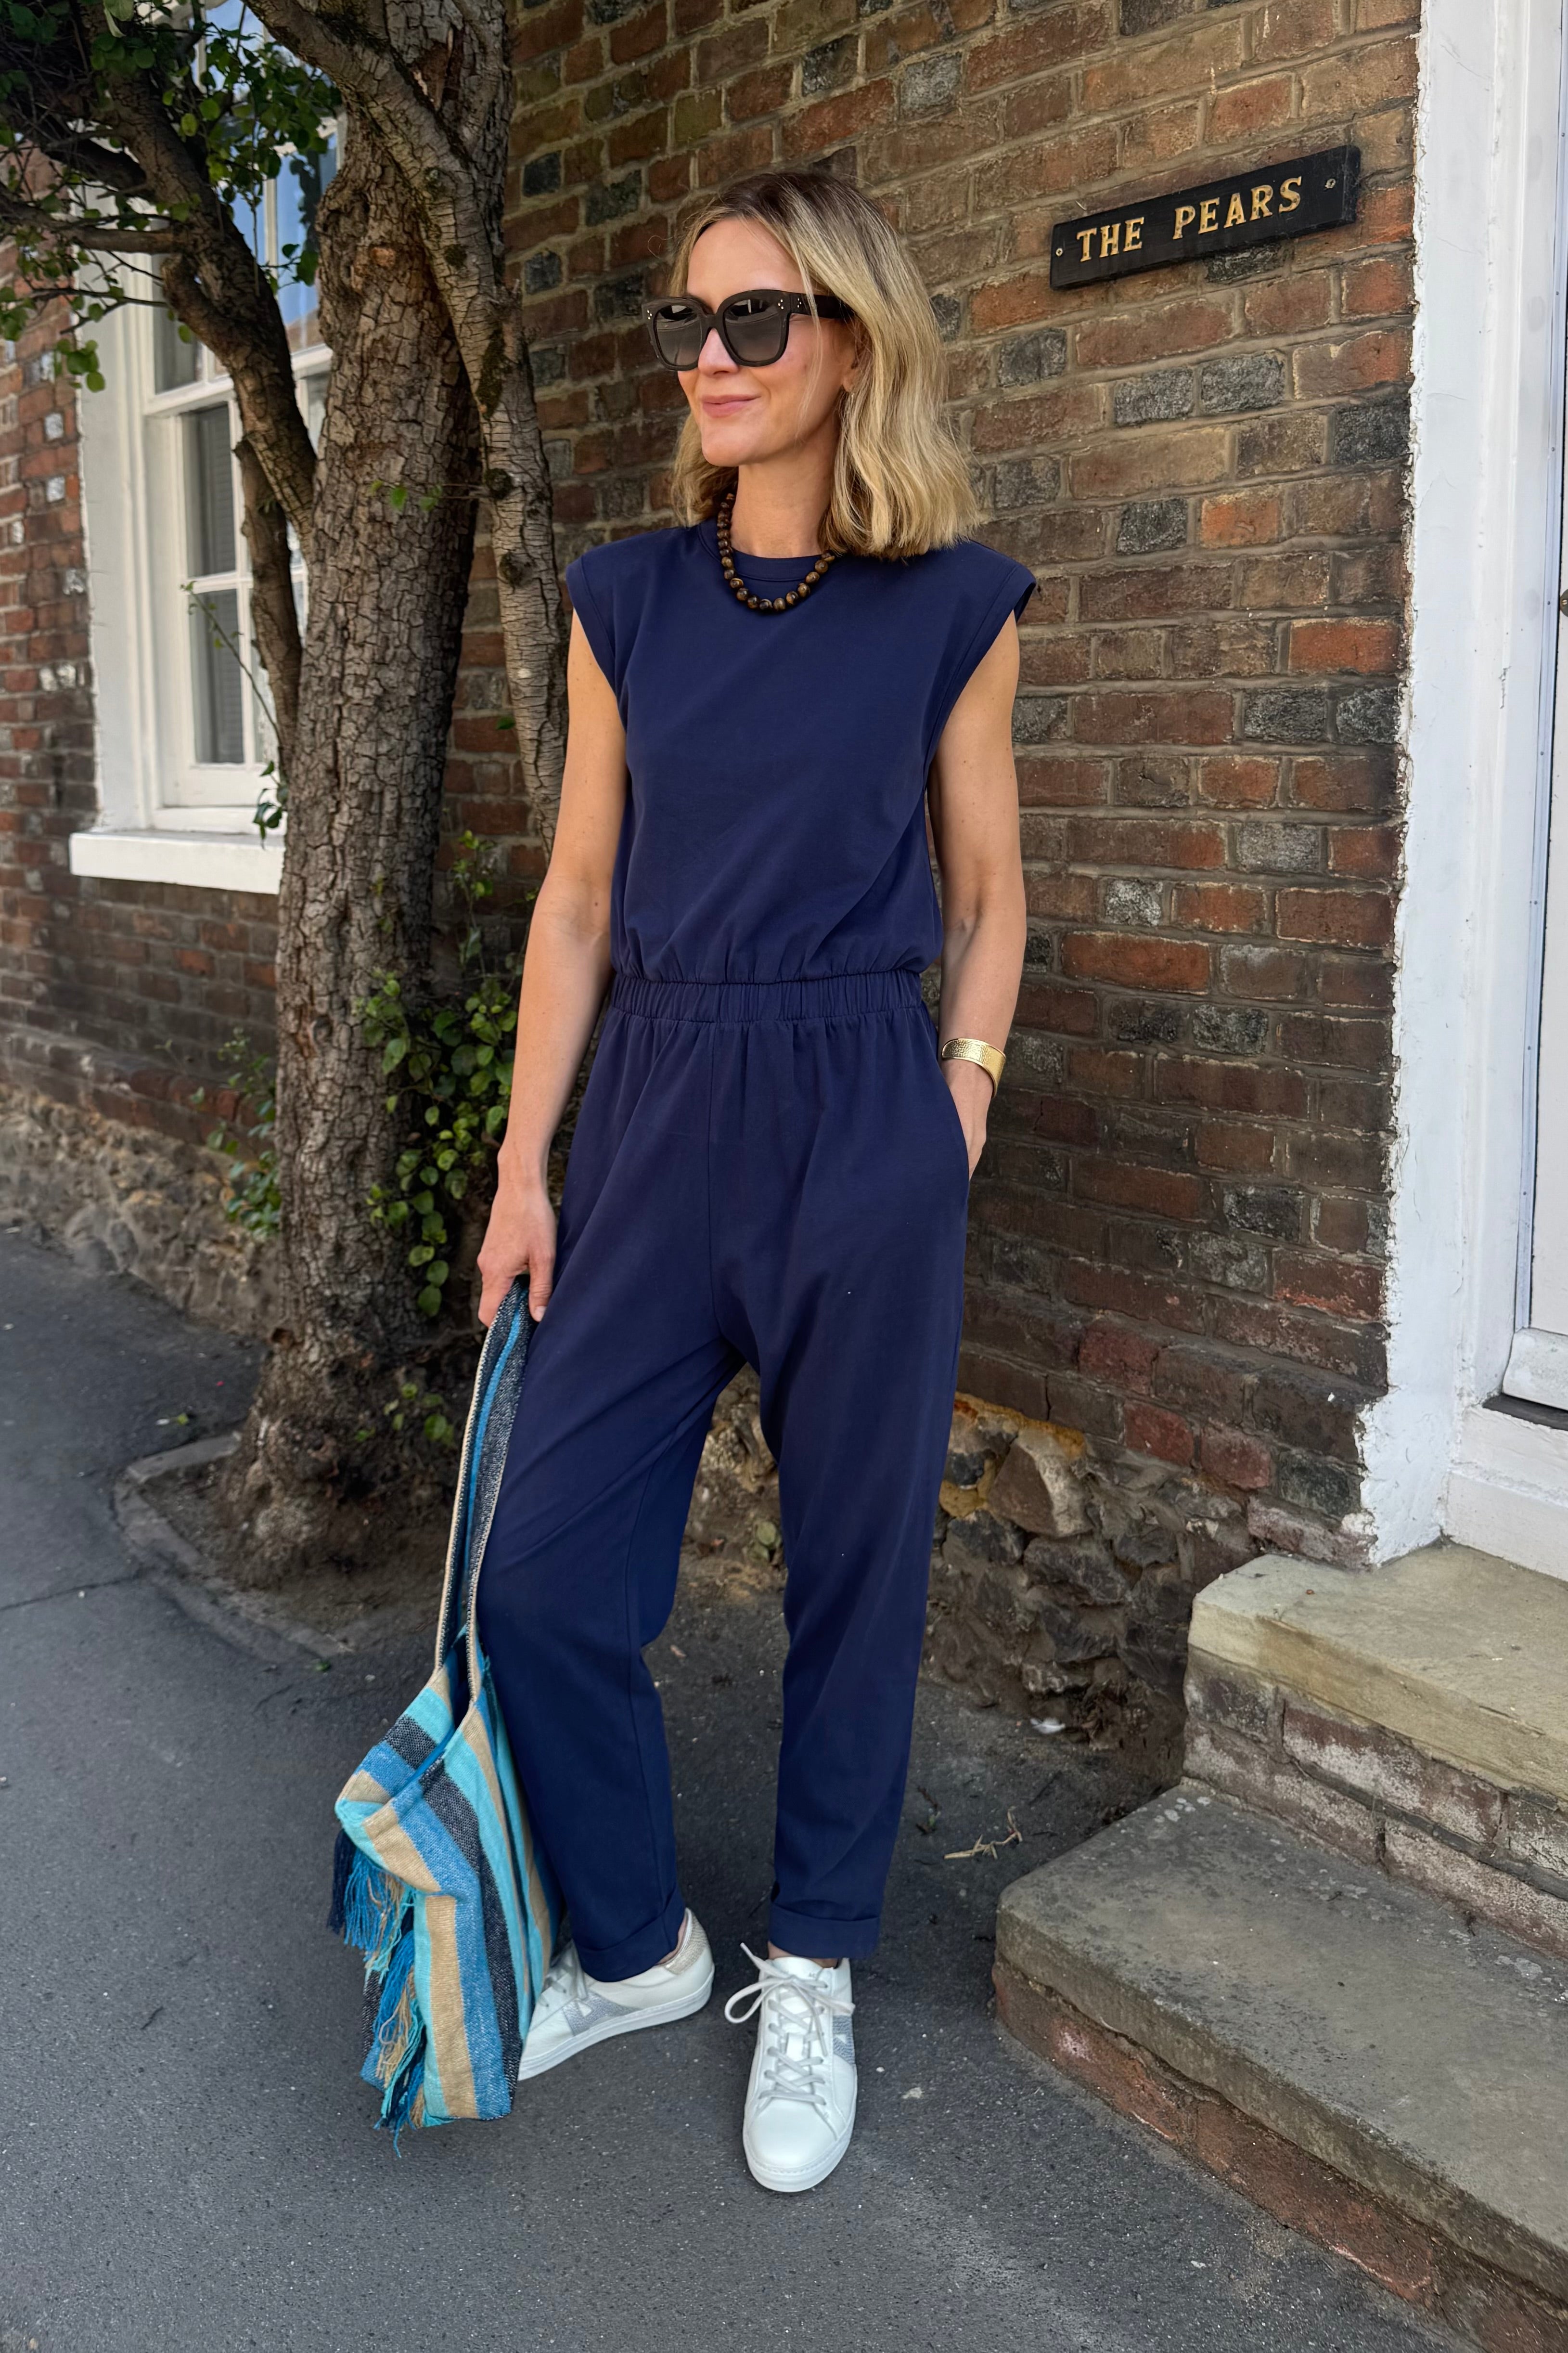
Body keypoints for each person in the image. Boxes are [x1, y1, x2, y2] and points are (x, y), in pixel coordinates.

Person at [473, 165, 1033, 2195]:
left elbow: (988, 891)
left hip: (857, 1114)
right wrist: (525, 1168)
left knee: (854, 1577)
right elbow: (578, 897)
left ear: (848, 348)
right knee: (542, 1567)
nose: (705, 360)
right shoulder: (623, 599)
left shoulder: (949, 604)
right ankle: (636, 1945)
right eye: (685, 326)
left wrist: (946, 1102)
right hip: (649, 1111)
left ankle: (808, 1963)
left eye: (751, 323)